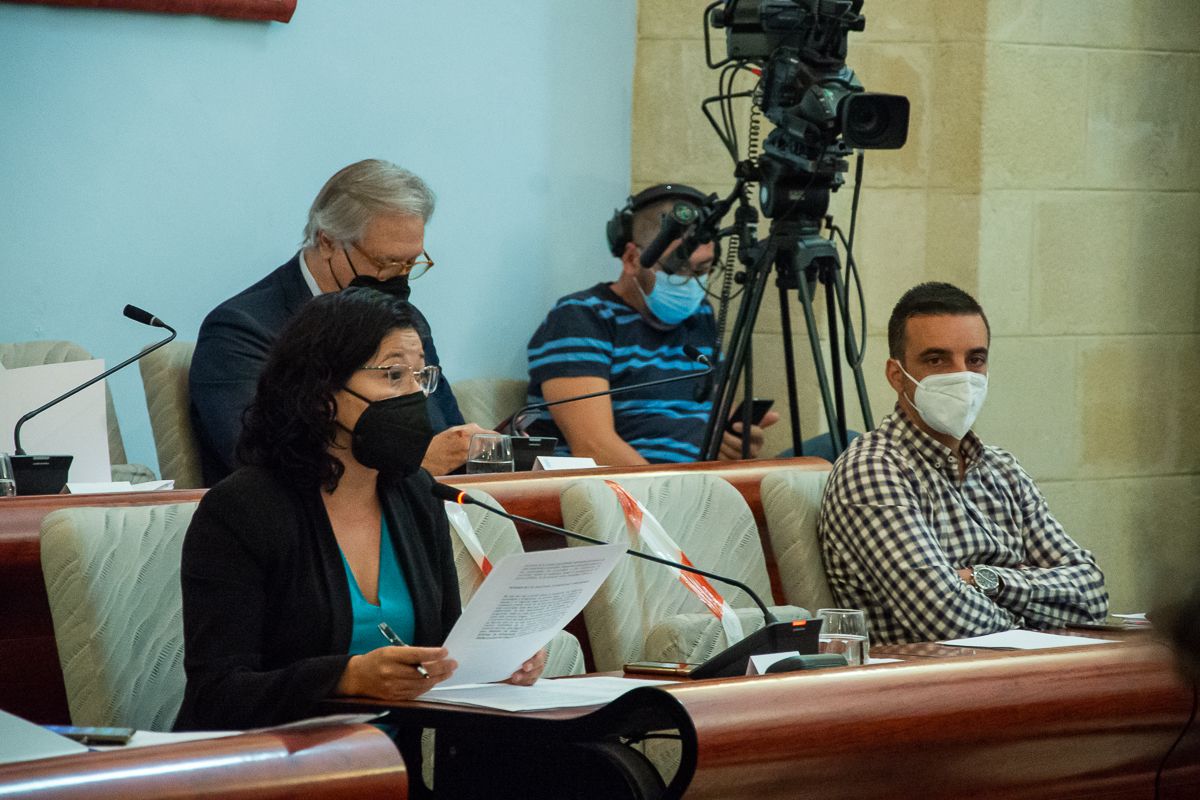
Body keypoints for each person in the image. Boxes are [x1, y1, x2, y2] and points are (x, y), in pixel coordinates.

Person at [176, 289, 545, 738]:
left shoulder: (416, 493)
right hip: (275, 763)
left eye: (420, 376)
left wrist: (498, 661)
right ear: (321, 393)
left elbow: (444, 649)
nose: (414, 394)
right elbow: (216, 694)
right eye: (393, 375)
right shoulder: (243, 508)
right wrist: (345, 677)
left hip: (392, 764)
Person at [818, 282, 1108, 645]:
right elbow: (944, 617)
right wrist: (1035, 614)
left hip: (1025, 669)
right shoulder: (874, 469)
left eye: (975, 360)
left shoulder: (1003, 470)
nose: (962, 376)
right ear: (897, 375)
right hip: (930, 677)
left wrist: (984, 579)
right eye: (936, 360)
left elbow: (1092, 593)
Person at [189, 159, 487, 486]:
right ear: (328, 241)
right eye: (386, 262)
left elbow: (442, 432)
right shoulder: (242, 329)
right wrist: (416, 465)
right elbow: (257, 464)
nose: (399, 276)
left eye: (411, 263)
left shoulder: (407, 322)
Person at [524, 183, 780, 465]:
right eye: (678, 268)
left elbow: (712, 412)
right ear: (632, 259)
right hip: (636, 486)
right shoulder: (581, 317)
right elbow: (594, 446)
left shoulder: (700, 316)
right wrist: (669, 490)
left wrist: (735, 443)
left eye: (702, 269)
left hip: (705, 480)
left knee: (820, 454)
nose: (691, 282)